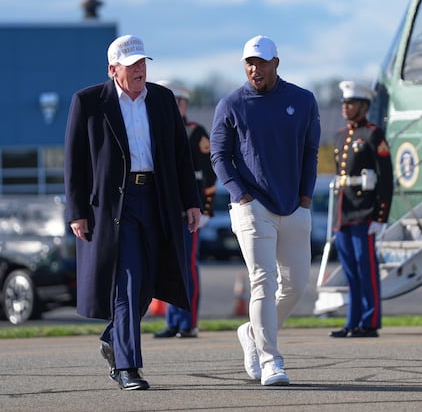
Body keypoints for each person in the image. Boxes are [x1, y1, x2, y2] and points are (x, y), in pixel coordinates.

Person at [64, 34, 202, 391]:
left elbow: (180, 157)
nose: (140, 69)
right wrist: (77, 210)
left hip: (158, 199)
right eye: (132, 65)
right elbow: (75, 162)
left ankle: (114, 336)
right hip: (116, 207)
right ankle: (128, 367)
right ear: (113, 70)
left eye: (143, 63)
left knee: (147, 281)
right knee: (127, 281)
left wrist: (192, 201)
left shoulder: (163, 99)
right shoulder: (89, 102)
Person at [210, 35, 320, 386]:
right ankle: (271, 360)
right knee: (263, 281)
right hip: (251, 206)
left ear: (276, 63)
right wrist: (241, 195)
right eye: (248, 63)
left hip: (294, 206)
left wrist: (305, 199)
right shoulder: (231, 104)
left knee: (297, 286)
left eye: (260, 62)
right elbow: (219, 156)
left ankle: (251, 332)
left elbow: (310, 153)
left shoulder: (303, 100)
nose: (254, 69)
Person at [329, 80, 393, 338]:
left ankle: (370, 321)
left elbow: (385, 179)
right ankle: (352, 322)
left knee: (366, 269)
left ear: (364, 106)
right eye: (344, 103)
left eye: (351, 103)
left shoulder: (373, 135)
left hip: (364, 212)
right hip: (343, 212)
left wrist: (381, 215)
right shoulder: (340, 136)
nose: (346, 107)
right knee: (350, 271)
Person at [153, 81, 216, 339]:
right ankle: (173, 321)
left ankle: (188, 322)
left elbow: (208, 178)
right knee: (169, 266)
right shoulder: (156, 129)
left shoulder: (195, 132)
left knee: (187, 266)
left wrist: (206, 211)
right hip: (165, 211)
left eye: (179, 101)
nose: (176, 105)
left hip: (189, 212)